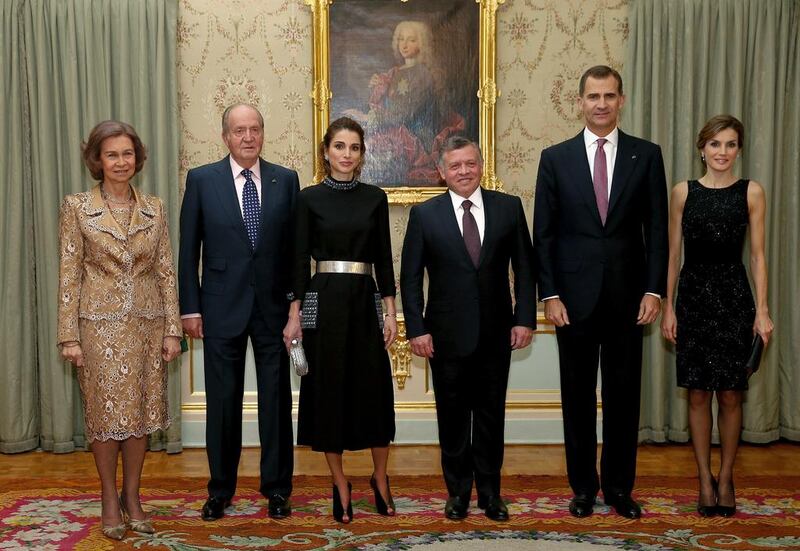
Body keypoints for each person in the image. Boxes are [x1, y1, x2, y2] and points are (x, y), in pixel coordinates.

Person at [533, 65, 668, 519]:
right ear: (580, 101)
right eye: (593, 96)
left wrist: (654, 291)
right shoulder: (555, 158)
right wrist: (549, 294)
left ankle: (618, 488)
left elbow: (659, 230)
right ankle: (583, 489)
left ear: (622, 100)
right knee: (576, 397)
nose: (602, 104)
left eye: (610, 96)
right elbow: (544, 235)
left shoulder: (646, 155)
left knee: (624, 398)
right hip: (572, 302)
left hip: (631, 301)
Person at [400, 136, 536, 521]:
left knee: (492, 416)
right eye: (455, 166)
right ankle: (458, 493)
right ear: (442, 172)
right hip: (444, 337)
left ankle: (491, 494)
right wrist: (417, 329)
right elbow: (409, 278)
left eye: (470, 164)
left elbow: (525, 269)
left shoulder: (508, 208)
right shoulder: (425, 215)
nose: (464, 171)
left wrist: (525, 318)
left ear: (481, 165)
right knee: (453, 418)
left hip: (497, 333)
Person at [57, 120, 182, 540]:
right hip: (98, 331)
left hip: (147, 328)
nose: (121, 161)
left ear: (138, 158)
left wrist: (172, 330)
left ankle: (133, 496)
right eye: (112, 154)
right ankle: (109, 498)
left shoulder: (155, 208)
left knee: (142, 417)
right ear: (97, 160)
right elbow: (69, 274)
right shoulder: (77, 207)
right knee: (106, 417)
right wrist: (68, 336)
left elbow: (166, 271)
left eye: (127, 153)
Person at [178, 104, 298, 521]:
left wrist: (296, 308)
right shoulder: (201, 180)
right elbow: (187, 250)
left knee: (276, 405)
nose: (248, 137)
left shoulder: (286, 180)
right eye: (239, 131)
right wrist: (189, 309)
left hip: (273, 311)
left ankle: (278, 490)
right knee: (223, 404)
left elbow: (295, 252)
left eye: (255, 129)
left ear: (263, 133)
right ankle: (220, 490)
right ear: (225, 136)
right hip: (218, 309)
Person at [285, 116, 398, 523]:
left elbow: (384, 257)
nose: (346, 154)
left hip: (365, 301)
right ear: (326, 151)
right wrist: (293, 315)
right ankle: (340, 483)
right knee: (328, 393)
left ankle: (380, 478)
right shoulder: (308, 198)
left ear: (362, 154)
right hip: (321, 303)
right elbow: (299, 260)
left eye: (354, 148)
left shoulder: (375, 198)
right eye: (339, 147)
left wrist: (391, 311)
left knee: (374, 393)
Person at [661, 115, 773, 517]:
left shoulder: (752, 192)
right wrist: (669, 306)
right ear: (701, 149)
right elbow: (673, 256)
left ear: (738, 150)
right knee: (696, 394)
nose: (722, 152)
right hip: (693, 298)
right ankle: (703, 479)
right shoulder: (682, 193)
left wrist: (762, 311)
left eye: (729, 145)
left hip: (734, 298)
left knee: (729, 393)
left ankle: (726, 477)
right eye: (714, 144)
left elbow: (758, 256)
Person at [344, 20, 463, 185]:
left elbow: (405, 113)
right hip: (394, 127)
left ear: (422, 43)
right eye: (401, 39)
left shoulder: (423, 75)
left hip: (415, 135)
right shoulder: (394, 73)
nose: (404, 44)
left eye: (411, 40)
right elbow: (384, 104)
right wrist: (378, 87)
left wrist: (366, 119)